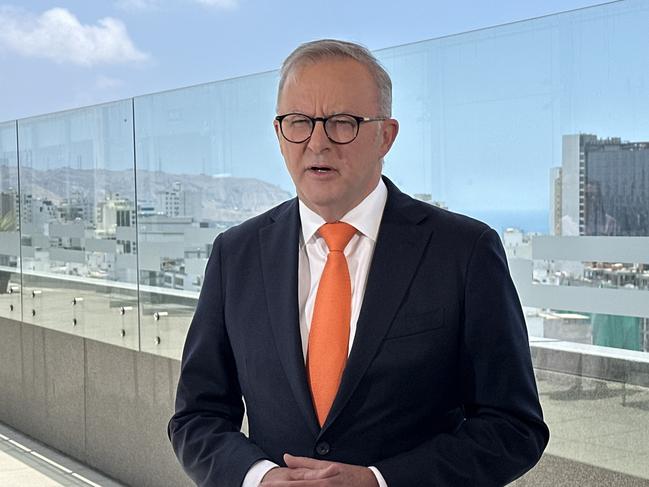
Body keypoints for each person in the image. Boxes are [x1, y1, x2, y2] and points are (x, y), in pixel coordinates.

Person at [168, 39, 549, 487]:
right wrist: (259, 478)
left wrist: (380, 481)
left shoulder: (463, 250)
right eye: (299, 122)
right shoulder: (236, 254)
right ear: (278, 133)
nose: (317, 142)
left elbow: (513, 427)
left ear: (385, 136)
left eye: (342, 123)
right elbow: (197, 417)